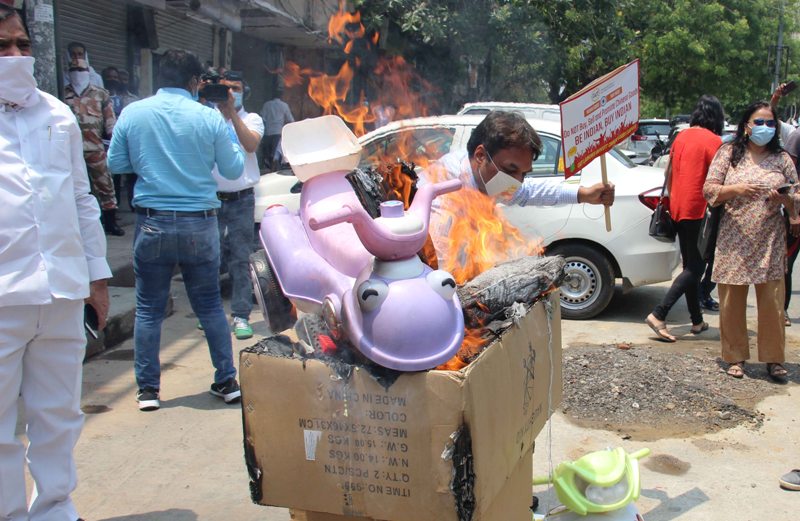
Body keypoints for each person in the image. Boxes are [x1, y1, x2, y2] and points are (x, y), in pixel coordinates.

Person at [0, 6, 110, 520]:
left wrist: (97, 277)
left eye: (22, 44)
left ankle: (55, 510)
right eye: (2, 46)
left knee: (59, 416)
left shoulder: (57, 114)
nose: (16, 55)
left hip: (62, 290)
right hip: (4, 295)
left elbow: (82, 198)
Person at [108, 49, 246, 411]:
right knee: (210, 306)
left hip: (152, 222)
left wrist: (151, 162)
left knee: (148, 309)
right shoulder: (209, 117)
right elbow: (233, 170)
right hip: (199, 223)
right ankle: (226, 381)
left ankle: (148, 391)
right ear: (195, 82)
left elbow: (116, 163)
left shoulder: (134, 112)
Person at [422, 110, 615, 266]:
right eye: (510, 170)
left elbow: (528, 192)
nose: (516, 182)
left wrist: (583, 194)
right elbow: (438, 262)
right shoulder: (444, 189)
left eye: (524, 174)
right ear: (481, 155)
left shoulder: (490, 178)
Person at [703, 101, 799, 380]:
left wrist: (786, 200)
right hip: (734, 238)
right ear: (746, 126)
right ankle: (735, 357)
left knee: (772, 303)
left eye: (770, 123)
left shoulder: (782, 158)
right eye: (759, 122)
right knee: (732, 301)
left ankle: (774, 359)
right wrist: (737, 189)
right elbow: (709, 190)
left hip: (770, 239)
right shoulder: (729, 153)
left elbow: (797, 194)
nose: (765, 128)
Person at [645, 95, 725, 342]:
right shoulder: (714, 141)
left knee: (690, 266)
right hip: (700, 211)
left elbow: (668, 173)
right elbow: (719, 181)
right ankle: (659, 314)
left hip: (679, 209)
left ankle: (697, 321)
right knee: (696, 267)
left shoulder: (681, 137)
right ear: (717, 117)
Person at [213, 70, 264, 339]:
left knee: (240, 258)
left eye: (236, 88)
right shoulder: (207, 117)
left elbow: (251, 145)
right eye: (226, 88)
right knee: (210, 258)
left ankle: (241, 315)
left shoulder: (252, 119)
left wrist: (231, 113)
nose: (231, 93)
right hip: (211, 198)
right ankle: (210, 313)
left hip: (241, 199)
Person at [63, 54, 123, 236]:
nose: (78, 73)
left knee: (105, 185)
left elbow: (110, 121)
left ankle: (110, 222)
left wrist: (113, 143)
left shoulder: (100, 94)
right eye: (74, 70)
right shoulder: (63, 93)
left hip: (95, 147)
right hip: (70, 150)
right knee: (73, 188)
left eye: (82, 69)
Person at [101, 66, 138, 211]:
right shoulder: (100, 97)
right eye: (110, 77)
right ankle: (113, 207)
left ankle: (134, 204)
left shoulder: (132, 100)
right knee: (112, 175)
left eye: (116, 78)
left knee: (132, 175)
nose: (114, 80)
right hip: (106, 142)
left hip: (129, 141)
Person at [259, 86, 294, 170]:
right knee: (276, 155)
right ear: (281, 96)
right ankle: (274, 171)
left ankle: (268, 169)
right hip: (278, 133)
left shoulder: (267, 105)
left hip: (267, 133)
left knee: (267, 156)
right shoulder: (284, 106)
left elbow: (262, 118)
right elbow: (291, 120)